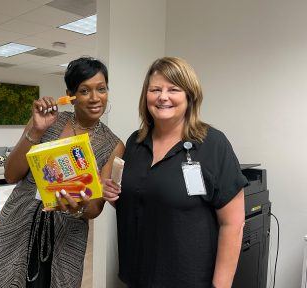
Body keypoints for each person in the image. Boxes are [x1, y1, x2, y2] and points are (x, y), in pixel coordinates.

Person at [0, 57, 124, 288]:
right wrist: (36, 130)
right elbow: (11, 175)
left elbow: (95, 208)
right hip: (18, 221)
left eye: (101, 89)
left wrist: (79, 206)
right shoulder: (48, 123)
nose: (95, 98)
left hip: (66, 236)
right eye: (85, 90)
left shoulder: (112, 145)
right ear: (70, 95)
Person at [103, 57, 248, 288]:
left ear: (190, 96)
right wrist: (112, 195)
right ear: (146, 96)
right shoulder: (135, 143)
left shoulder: (212, 144)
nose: (163, 96)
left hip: (188, 279)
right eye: (155, 89)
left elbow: (233, 224)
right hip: (138, 276)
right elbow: (140, 199)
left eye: (173, 89)